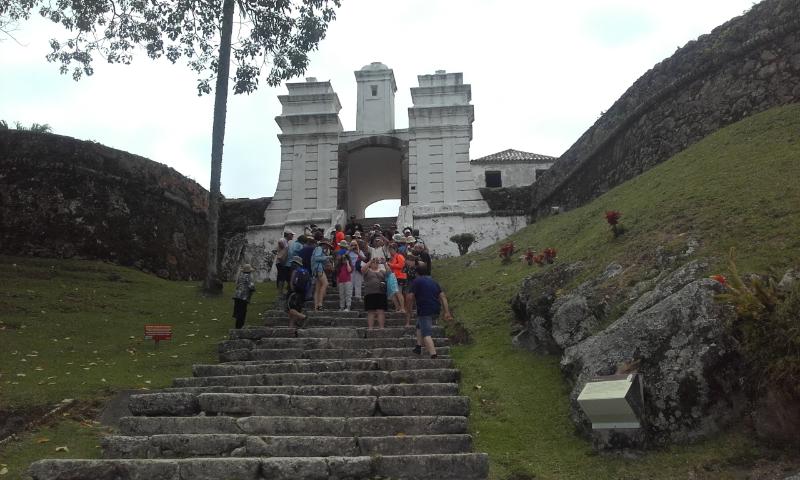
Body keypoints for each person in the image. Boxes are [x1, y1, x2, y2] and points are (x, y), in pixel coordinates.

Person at [407, 262, 453, 359]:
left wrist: (409, 310)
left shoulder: (416, 281)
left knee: (426, 334)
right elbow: (443, 296)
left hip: (425, 310)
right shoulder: (433, 281)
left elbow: (410, 297)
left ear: (416, 273)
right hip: (436, 309)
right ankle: (418, 347)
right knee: (419, 325)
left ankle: (433, 355)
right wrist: (447, 311)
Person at [362, 257, 387, 329]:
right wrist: (370, 261)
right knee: (371, 311)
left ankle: (381, 327)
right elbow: (363, 269)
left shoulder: (382, 271)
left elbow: (389, 273)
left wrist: (384, 263)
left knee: (381, 311)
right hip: (370, 293)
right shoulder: (367, 270)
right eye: (374, 262)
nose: (375, 264)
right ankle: (370, 328)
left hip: (381, 293)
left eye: (377, 262)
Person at [287, 256, 309, 328]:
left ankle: (303, 317)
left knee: (290, 310)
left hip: (295, 293)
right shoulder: (305, 271)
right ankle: (291, 328)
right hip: (303, 294)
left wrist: (292, 291)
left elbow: (291, 283)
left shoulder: (295, 271)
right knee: (295, 311)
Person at [232, 264, 256, 329]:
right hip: (243, 296)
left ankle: (237, 326)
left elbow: (237, 284)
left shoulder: (240, 276)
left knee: (238, 311)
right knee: (242, 312)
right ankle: (240, 326)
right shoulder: (249, 277)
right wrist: (253, 290)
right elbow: (251, 286)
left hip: (237, 295)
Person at [311, 236, 331, 310]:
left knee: (318, 288)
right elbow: (317, 258)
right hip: (318, 269)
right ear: (325, 244)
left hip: (316, 269)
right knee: (325, 283)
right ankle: (320, 304)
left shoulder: (318, 249)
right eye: (327, 245)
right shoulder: (319, 248)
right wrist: (327, 257)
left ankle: (316, 307)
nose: (328, 247)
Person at [387, 244, 406, 314]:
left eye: (391, 250)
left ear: (395, 249)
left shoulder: (399, 256)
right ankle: (397, 308)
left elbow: (402, 265)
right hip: (394, 276)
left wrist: (391, 265)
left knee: (398, 292)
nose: (390, 251)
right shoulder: (393, 257)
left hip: (400, 276)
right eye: (389, 250)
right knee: (394, 293)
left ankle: (402, 308)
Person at [335, 240, 354, 311]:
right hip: (341, 281)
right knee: (341, 295)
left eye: (345, 259)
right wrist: (337, 282)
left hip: (347, 281)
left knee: (348, 294)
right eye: (343, 259)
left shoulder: (349, 265)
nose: (343, 260)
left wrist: (348, 263)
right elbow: (338, 274)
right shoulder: (339, 266)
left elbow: (349, 270)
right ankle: (342, 307)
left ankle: (348, 307)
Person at [274, 230, 293, 294]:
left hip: (282, 261)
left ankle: (280, 290)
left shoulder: (286, 241)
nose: (292, 236)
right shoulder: (283, 240)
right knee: (281, 277)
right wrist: (284, 247)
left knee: (282, 276)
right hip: (281, 261)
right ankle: (280, 291)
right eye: (291, 234)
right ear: (288, 235)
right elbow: (280, 241)